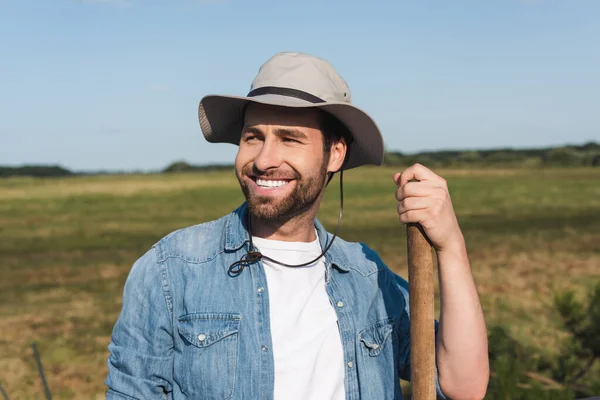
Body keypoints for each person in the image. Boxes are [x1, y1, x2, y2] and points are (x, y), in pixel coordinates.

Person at [106, 52, 489, 400]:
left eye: (290, 139)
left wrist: (450, 245)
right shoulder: (172, 271)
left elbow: (463, 386)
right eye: (253, 137)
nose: (264, 160)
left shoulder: (367, 277)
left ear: (335, 154)